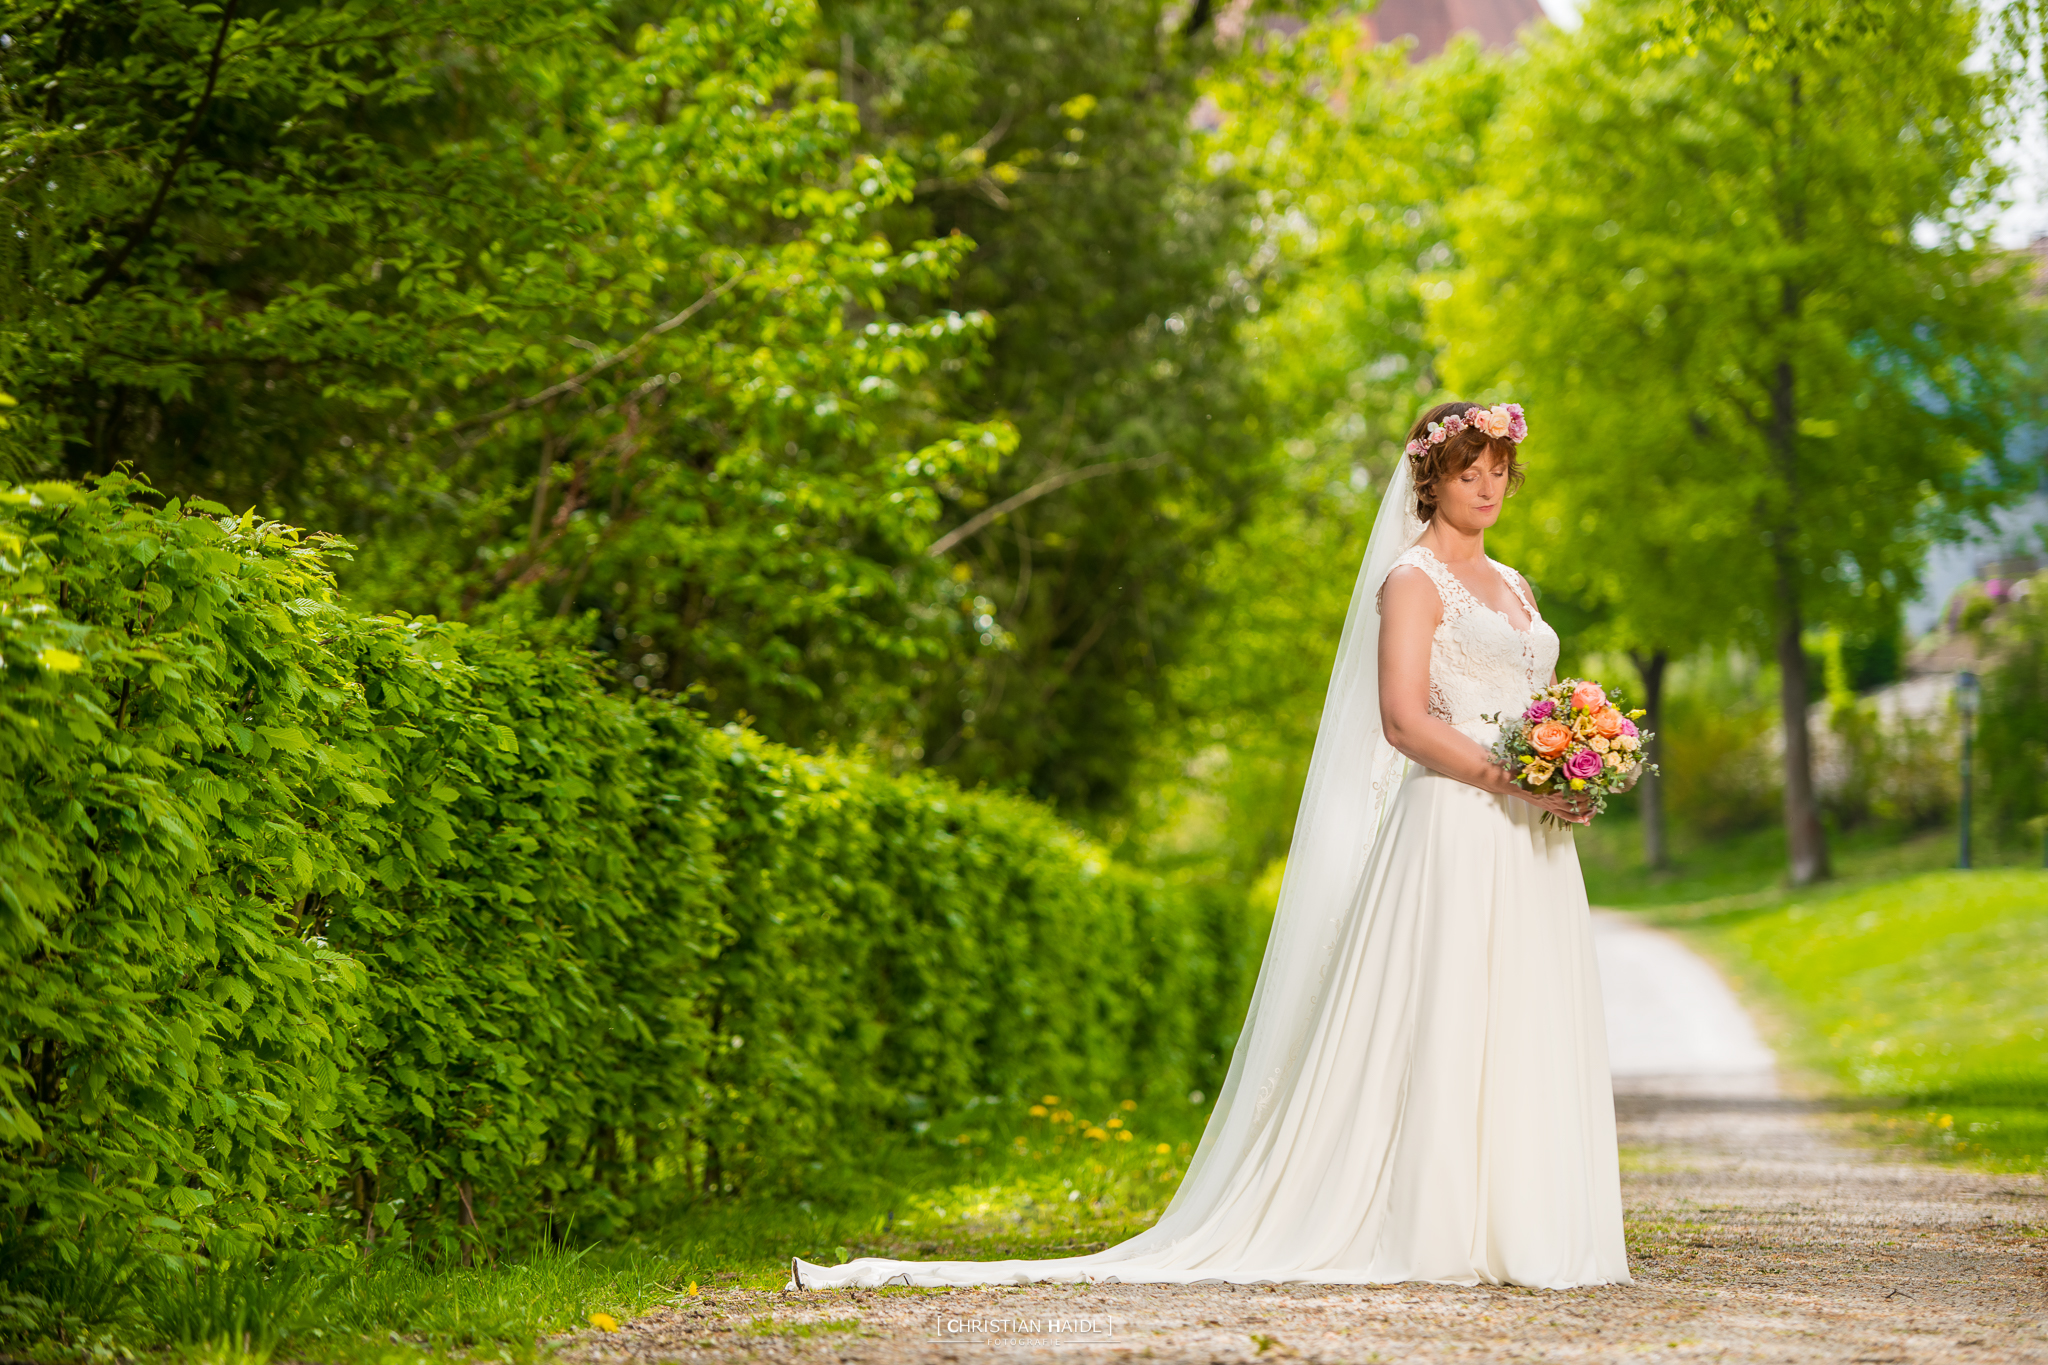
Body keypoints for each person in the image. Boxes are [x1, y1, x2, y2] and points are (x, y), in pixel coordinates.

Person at [788, 401, 1633, 1291]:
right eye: (1471, 470)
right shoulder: (1413, 580)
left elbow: (1531, 700)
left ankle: (1524, 1218)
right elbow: (1402, 720)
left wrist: (1571, 767)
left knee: (1523, 1016)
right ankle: (1440, 1221)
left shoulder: (1519, 584)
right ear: (1431, 477)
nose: (1489, 485)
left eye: (1500, 468)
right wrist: (1513, 777)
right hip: (1455, 832)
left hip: (1530, 842)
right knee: (1451, 1016)